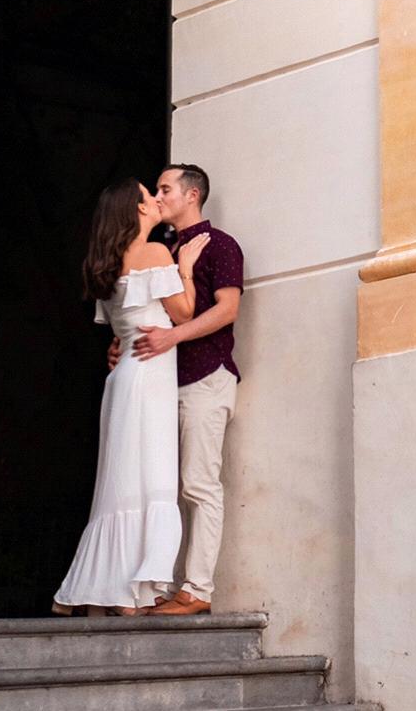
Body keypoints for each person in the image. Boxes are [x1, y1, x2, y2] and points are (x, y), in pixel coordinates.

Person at [52, 180, 207, 615]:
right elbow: (183, 314)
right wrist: (186, 268)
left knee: (120, 483)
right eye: (149, 196)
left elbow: (121, 327)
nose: (158, 200)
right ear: (135, 211)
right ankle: (133, 591)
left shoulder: (105, 262)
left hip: (123, 378)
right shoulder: (157, 253)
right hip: (149, 377)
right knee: (151, 478)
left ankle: (111, 590)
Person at [117, 163, 243, 617]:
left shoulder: (221, 245)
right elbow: (144, 311)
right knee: (160, 487)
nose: (158, 195)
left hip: (207, 378)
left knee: (199, 485)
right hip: (160, 384)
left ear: (192, 195)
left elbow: (227, 310)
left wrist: (173, 337)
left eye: (166, 189)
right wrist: (123, 345)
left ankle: (197, 590)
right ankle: (158, 587)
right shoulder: (161, 250)